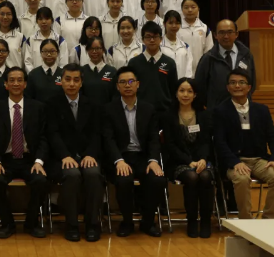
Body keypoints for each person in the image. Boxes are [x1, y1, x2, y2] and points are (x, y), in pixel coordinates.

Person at [213, 69, 274, 220]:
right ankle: (246, 221)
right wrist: (235, 162)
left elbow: (273, 138)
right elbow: (219, 143)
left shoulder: (262, 110)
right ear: (227, 87)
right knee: (241, 179)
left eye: (241, 82)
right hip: (235, 162)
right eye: (233, 83)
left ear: (249, 87)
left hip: (259, 160)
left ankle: (269, 219)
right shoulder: (220, 111)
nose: (237, 86)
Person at [0, 67, 49, 239]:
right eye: (11, 80)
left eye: (19, 80)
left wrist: (39, 161)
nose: (16, 83)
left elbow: (43, 138)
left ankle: (31, 223)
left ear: (25, 84)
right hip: (4, 159)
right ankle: (7, 224)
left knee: (41, 180)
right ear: (5, 84)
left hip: (30, 159)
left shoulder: (38, 108)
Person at [102, 66, 165, 238]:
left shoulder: (148, 109)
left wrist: (153, 160)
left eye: (131, 81)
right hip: (121, 157)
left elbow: (154, 138)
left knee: (157, 179)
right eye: (123, 82)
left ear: (138, 84)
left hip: (143, 157)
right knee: (124, 180)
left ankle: (147, 222)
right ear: (117, 86)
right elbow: (108, 139)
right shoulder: (109, 109)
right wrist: (118, 160)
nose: (127, 85)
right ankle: (127, 222)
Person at [47, 63, 104, 242]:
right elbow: (52, 134)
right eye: (68, 79)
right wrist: (65, 155)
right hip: (61, 158)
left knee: (93, 173)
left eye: (76, 80)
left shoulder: (92, 104)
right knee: (72, 175)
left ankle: (92, 224)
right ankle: (71, 225)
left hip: (87, 155)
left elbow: (97, 133)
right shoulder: (51, 104)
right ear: (61, 81)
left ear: (81, 82)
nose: (71, 83)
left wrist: (90, 154)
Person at [163, 78, 213, 238]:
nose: (185, 94)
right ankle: (192, 220)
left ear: (195, 94)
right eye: (182, 90)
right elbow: (170, 145)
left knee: (205, 176)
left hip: (202, 160)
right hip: (178, 162)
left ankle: (205, 221)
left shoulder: (203, 115)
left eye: (190, 91)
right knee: (192, 177)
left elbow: (206, 141)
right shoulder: (168, 116)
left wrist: (203, 159)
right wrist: (188, 161)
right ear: (176, 93)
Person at [195, 19, 256, 110]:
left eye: (230, 32)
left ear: (236, 34)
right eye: (222, 33)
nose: (226, 36)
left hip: (242, 108)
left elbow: (252, 82)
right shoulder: (208, 58)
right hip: (217, 110)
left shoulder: (246, 55)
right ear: (215, 35)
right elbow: (200, 87)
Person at [129, 22, 178, 114]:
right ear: (142, 39)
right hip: (140, 112)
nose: (152, 40)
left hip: (164, 112)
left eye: (155, 36)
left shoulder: (169, 63)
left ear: (161, 39)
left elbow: (173, 90)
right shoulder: (134, 63)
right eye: (148, 37)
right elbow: (130, 88)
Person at [25, 7, 68, 72]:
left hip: (56, 76)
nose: (44, 22)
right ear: (36, 21)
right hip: (36, 76)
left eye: (47, 19)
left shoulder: (60, 40)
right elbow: (28, 62)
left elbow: (63, 63)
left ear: (52, 20)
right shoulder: (31, 40)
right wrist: (34, 75)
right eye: (40, 19)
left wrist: (57, 75)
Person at [178, 0, 213, 75]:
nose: (190, 10)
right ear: (182, 9)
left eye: (193, 7)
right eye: (186, 7)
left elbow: (209, 50)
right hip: (182, 69)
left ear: (198, 9)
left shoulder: (204, 28)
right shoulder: (177, 28)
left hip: (200, 70)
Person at [81, 37, 118, 106]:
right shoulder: (81, 71)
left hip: (107, 111)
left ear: (103, 50)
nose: (94, 52)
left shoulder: (112, 71)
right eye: (91, 49)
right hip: (86, 111)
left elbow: (115, 95)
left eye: (98, 48)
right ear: (87, 50)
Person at [161, 11, 194, 78]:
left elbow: (189, 69)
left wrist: (186, 81)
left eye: (177, 23)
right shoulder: (159, 46)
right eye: (170, 23)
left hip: (182, 83)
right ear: (164, 24)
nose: (174, 26)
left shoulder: (185, 46)